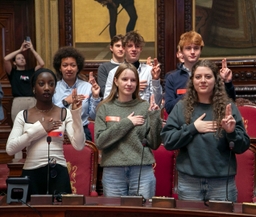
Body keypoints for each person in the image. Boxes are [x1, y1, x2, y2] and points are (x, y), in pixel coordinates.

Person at [161, 59, 250, 202]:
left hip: (222, 183)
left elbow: (243, 146)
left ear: (216, 80)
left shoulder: (228, 107)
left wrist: (231, 132)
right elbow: (168, 141)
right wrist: (193, 128)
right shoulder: (181, 107)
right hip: (190, 182)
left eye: (208, 77)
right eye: (198, 77)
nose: (203, 81)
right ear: (192, 81)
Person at [6, 68, 85, 196]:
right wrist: (41, 128)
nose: (47, 88)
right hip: (32, 172)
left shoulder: (65, 113)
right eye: (41, 84)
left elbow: (79, 145)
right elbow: (10, 149)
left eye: (51, 84)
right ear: (33, 88)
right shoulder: (23, 115)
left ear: (55, 88)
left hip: (58, 172)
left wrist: (76, 114)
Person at [95, 62, 162, 199]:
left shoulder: (144, 106)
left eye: (133, 80)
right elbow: (100, 142)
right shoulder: (105, 107)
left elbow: (154, 143)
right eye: (124, 79)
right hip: (113, 171)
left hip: (141, 171)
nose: (129, 83)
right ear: (116, 81)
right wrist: (127, 122)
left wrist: (155, 116)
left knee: (143, 213)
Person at [164, 31, 236, 115]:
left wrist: (227, 83)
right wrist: (192, 92)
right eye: (188, 48)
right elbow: (169, 108)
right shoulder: (172, 77)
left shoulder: (211, 73)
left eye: (196, 48)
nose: (192, 52)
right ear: (182, 52)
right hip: (184, 122)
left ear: (200, 50)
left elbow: (230, 102)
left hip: (210, 118)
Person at [52, 46, 101, 141]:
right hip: (59, 131)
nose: (69, 69)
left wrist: (95, 97)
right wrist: (66, 101)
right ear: (60, 68)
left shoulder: (87, 87)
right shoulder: (53, 87)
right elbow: (49, 113)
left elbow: (94, 116)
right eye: (65, 65)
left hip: (82, 130)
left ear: (78, 67)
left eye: (73, 65)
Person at [104, 31, 162, 106]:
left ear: (141, 49)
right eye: (130, 46)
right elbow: (107, 101)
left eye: (137, 46)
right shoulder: (114, 72)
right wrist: (132, 89)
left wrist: (155, 80)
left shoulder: (149, 71)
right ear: (124, 48)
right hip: (121, 114)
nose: (134, 49)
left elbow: (157, 103)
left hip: (144, 114)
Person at [3, 40, 45, 122]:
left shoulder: (31, 71)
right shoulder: (13, 72)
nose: (22, 59)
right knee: (18, 125)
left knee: (34, 125)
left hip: (31, 100)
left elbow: (41, 63)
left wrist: (32, 49)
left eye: (23, 58)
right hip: (18, 101)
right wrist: (20, 50)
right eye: (19, 58)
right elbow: (5, 59)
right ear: (14, 63)